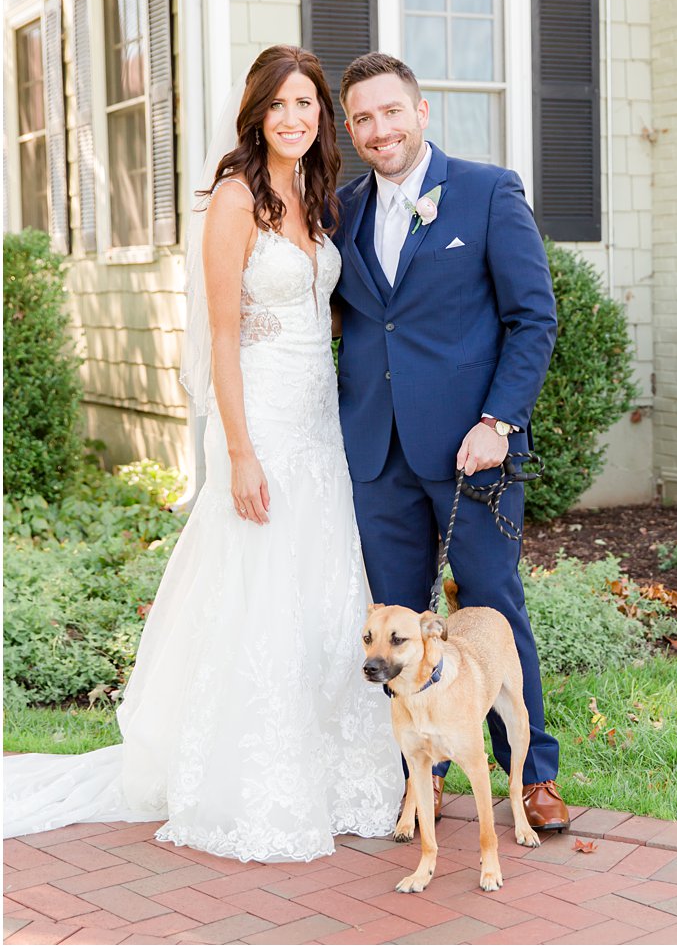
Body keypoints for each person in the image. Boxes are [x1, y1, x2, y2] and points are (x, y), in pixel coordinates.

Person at [2, 46, 403, 861]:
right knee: (259, 583)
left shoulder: (316, 196)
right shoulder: (235, 199)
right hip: (257, 418)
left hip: (317, 416)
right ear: (256, 112)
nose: (296, 118)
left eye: (308, 105)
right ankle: (252, 778)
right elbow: (223, 335)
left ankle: (335, 771)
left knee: (321, 582)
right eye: (280, 104)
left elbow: (324, 314)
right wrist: (241, 452)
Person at [332, 52, 567, 830]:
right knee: (397, 626)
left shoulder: (488, 191)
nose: (378, 130)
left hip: (474, 455)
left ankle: (530, 774)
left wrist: (498, 421)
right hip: (378, 454)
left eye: (390, 112)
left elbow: (532, 317)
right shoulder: (342, 211)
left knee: (495, 611)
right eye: (362, 118)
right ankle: (420, 779)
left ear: (421, 111)